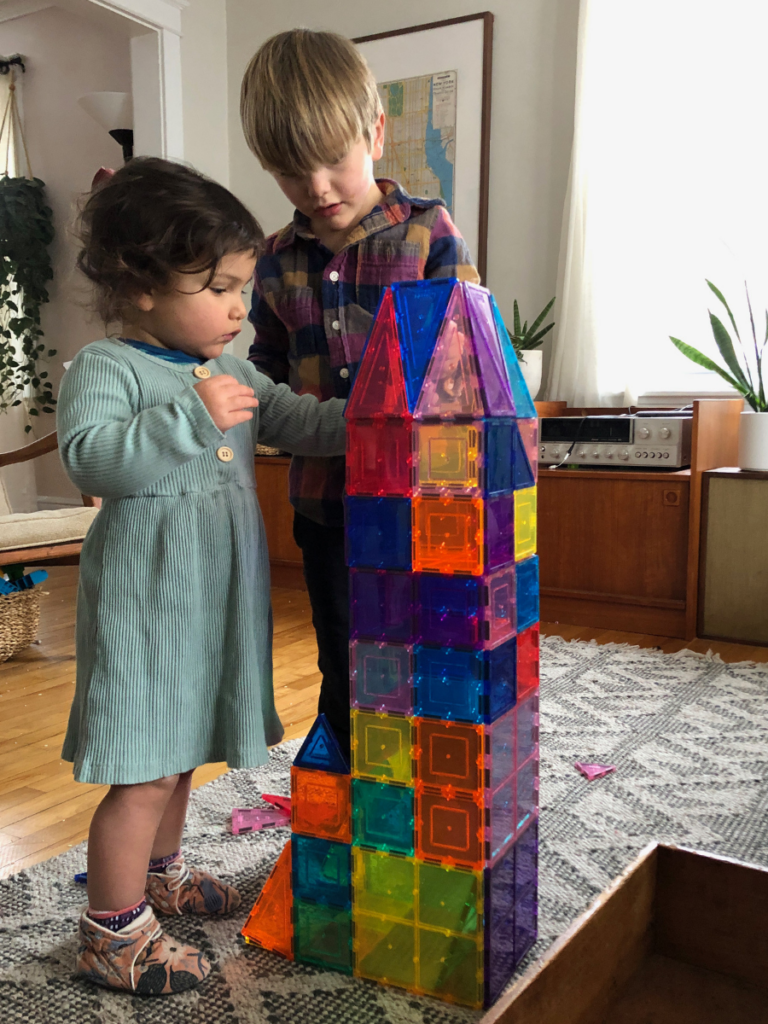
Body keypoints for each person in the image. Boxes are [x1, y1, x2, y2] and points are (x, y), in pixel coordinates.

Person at [58, 157, 346, 996]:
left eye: (243, 285)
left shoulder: (234, 369)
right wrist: (188, 415)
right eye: (217, 286)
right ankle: (111, 934)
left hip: (211, 605)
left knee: (181, 757)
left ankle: (161, 876)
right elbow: (91, 464)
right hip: (146, 608)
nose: (236, 306)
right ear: (141, 286)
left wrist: (373, 417)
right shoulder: (108, 368)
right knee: (144, 766)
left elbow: (293, 415)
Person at [241, 29, 480, 756]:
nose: (315, 187)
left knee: (432, 659)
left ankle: (427, 793)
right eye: (288, 173)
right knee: (345, 663)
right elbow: (266, 367)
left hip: (424, 505)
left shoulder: (429, 233)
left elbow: (467, 365)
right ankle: (352, 809)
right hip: (325, 507)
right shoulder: (274, 261)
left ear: (374, 133)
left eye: (333, 161)